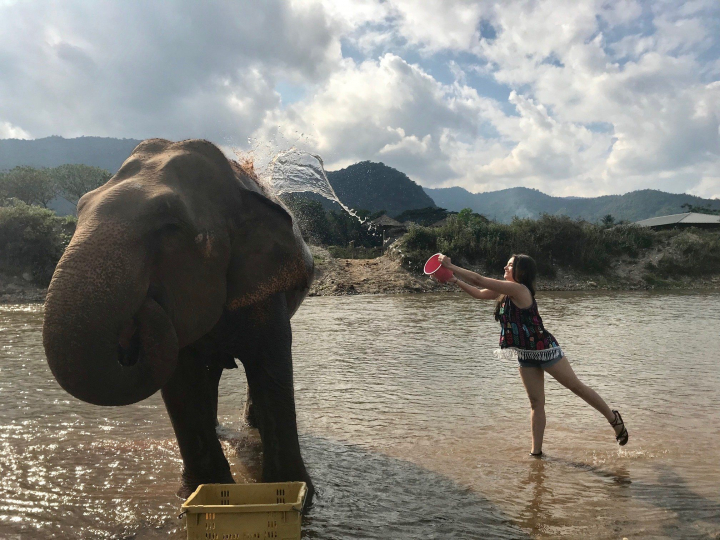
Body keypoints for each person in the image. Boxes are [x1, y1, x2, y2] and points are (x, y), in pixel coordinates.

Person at [436, 253, 628, 456]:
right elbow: (479, 293)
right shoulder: (505, 291)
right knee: (536, 403)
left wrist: (451, 266)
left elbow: (478, 279)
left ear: (522, 271)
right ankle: (536, 453)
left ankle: (613, 418)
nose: (505, 267)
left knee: (576, 387)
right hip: (525, 354)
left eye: (510, 265)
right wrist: (454, 280)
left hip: (544, 349)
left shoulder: (519, 289)